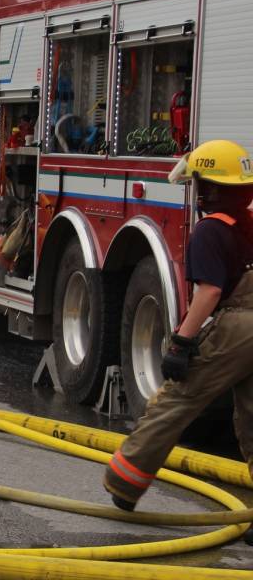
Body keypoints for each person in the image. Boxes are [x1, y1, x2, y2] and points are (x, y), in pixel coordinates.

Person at [103, 140, 253, 513]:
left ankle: (123, 484)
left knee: (178, 400)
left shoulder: (210, 231)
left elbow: (210, 291)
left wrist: (181, 344)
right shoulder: (248, 225)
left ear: (209, 187)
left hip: (238, 329)